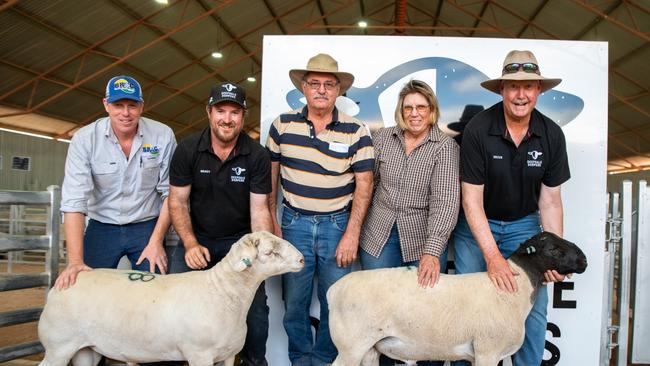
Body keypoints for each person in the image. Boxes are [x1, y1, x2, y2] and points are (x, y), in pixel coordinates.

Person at [454, 50, 571, 366]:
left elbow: (550, 201)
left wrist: (552, 253)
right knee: (469, 309)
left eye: (529, 86)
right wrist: (492, 257)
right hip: (477, 224)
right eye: (513, 87)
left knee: (532, 310)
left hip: (524, 226)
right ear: (502, 89)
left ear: (539, 90)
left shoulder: (552, 135)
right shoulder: (478, 129)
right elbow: (471, 202)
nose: (521, 95)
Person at [266, 53, 374, 366]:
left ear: (339, 90)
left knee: (336, 305)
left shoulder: (357, 131)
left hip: (337, 225)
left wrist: (352, 233)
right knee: (295, 304)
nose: (322, 90)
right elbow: (270, 181)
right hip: (293, 225)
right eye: (315, 83)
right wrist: (274, 225)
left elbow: (364, 186)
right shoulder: (282, 125)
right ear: (304, 88)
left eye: (329, 84)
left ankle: (326, 360)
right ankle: (301, 359)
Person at [167, 81, 273, 366]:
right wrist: (189, 244)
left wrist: (260, 251)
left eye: (234, 112)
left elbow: (260, 208)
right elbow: (177, 202)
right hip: (197, 239)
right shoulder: (188, 149)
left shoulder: (257, 155)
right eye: (221, 111)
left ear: (243, 116)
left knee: (255, 310)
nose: (227, 119)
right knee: (171, 306)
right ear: (209, 112)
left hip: (239, 244)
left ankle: (253, 362)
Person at [359, 80, 459, 366]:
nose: (415, 113)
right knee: (378, 313)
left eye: (421, 107)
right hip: (378, 234)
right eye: (408, 107)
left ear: (432, 111)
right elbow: (368, 187)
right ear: (401, 111)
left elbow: (446, 201)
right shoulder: (381, 139)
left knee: (428, 315)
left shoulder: (445, 147)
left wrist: (431, 251)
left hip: (423, 239)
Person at [57, 75, 176, 290]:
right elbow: (74, 200)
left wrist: (156, 241)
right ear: (106, 105)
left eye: (132, 105)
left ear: (141, 106)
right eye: (118, 105)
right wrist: (75, 261)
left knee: (154, 289)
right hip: (102, 225)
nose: (126, 113)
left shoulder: (163, 135)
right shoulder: (85, 139)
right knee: (85, 287)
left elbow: (170, 193)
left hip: (147, 226)